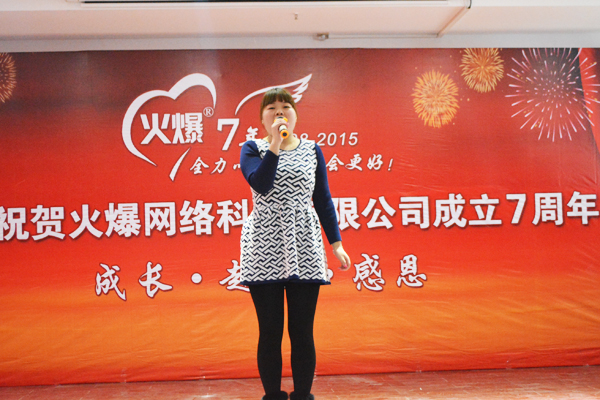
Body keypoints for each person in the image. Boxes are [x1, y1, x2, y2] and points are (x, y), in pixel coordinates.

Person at [239, 88, 351, 400]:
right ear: (262, 118)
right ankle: (273, 396)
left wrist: (337, 244)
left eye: (285, 106)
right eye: (271, 108)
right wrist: (275, 144)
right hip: (264, 245)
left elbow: (323, 199)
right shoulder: (252, 149)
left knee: (302, 330)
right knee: (270, 331)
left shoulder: (312, 150)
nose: (279, 112)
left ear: (295, 115)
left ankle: (303, 395)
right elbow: (261, 184)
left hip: (304, 243)